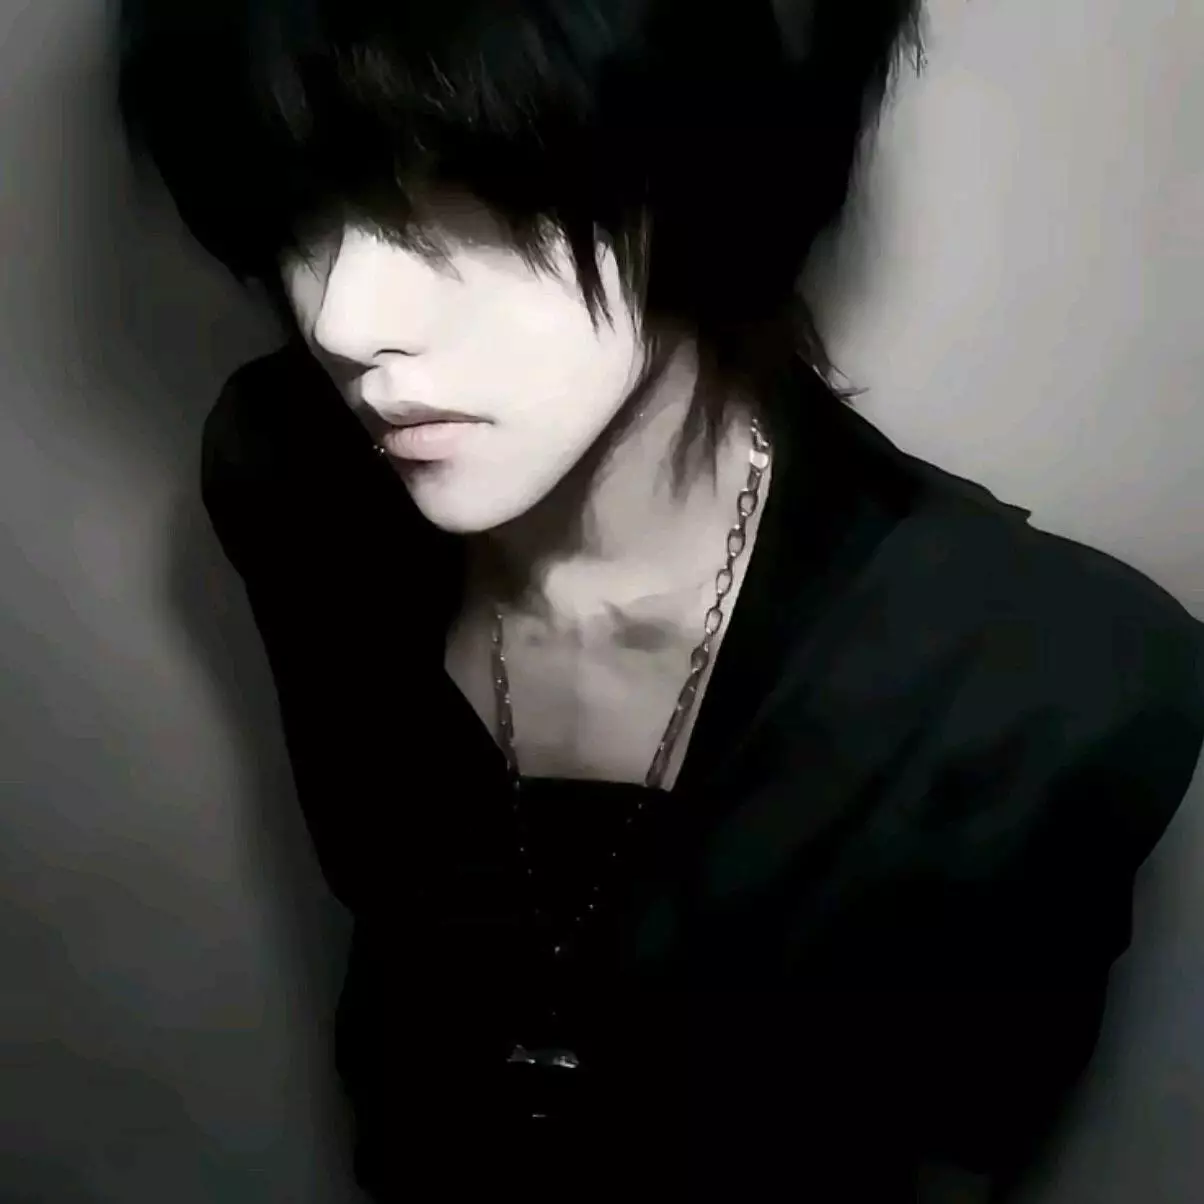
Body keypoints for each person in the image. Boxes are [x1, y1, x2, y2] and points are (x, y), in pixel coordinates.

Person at [116, 2, 1204, 1199]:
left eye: (468, 191)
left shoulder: (1052, 688)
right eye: (304, 207)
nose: (344, 320)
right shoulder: (289, 476)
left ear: (701, 167)